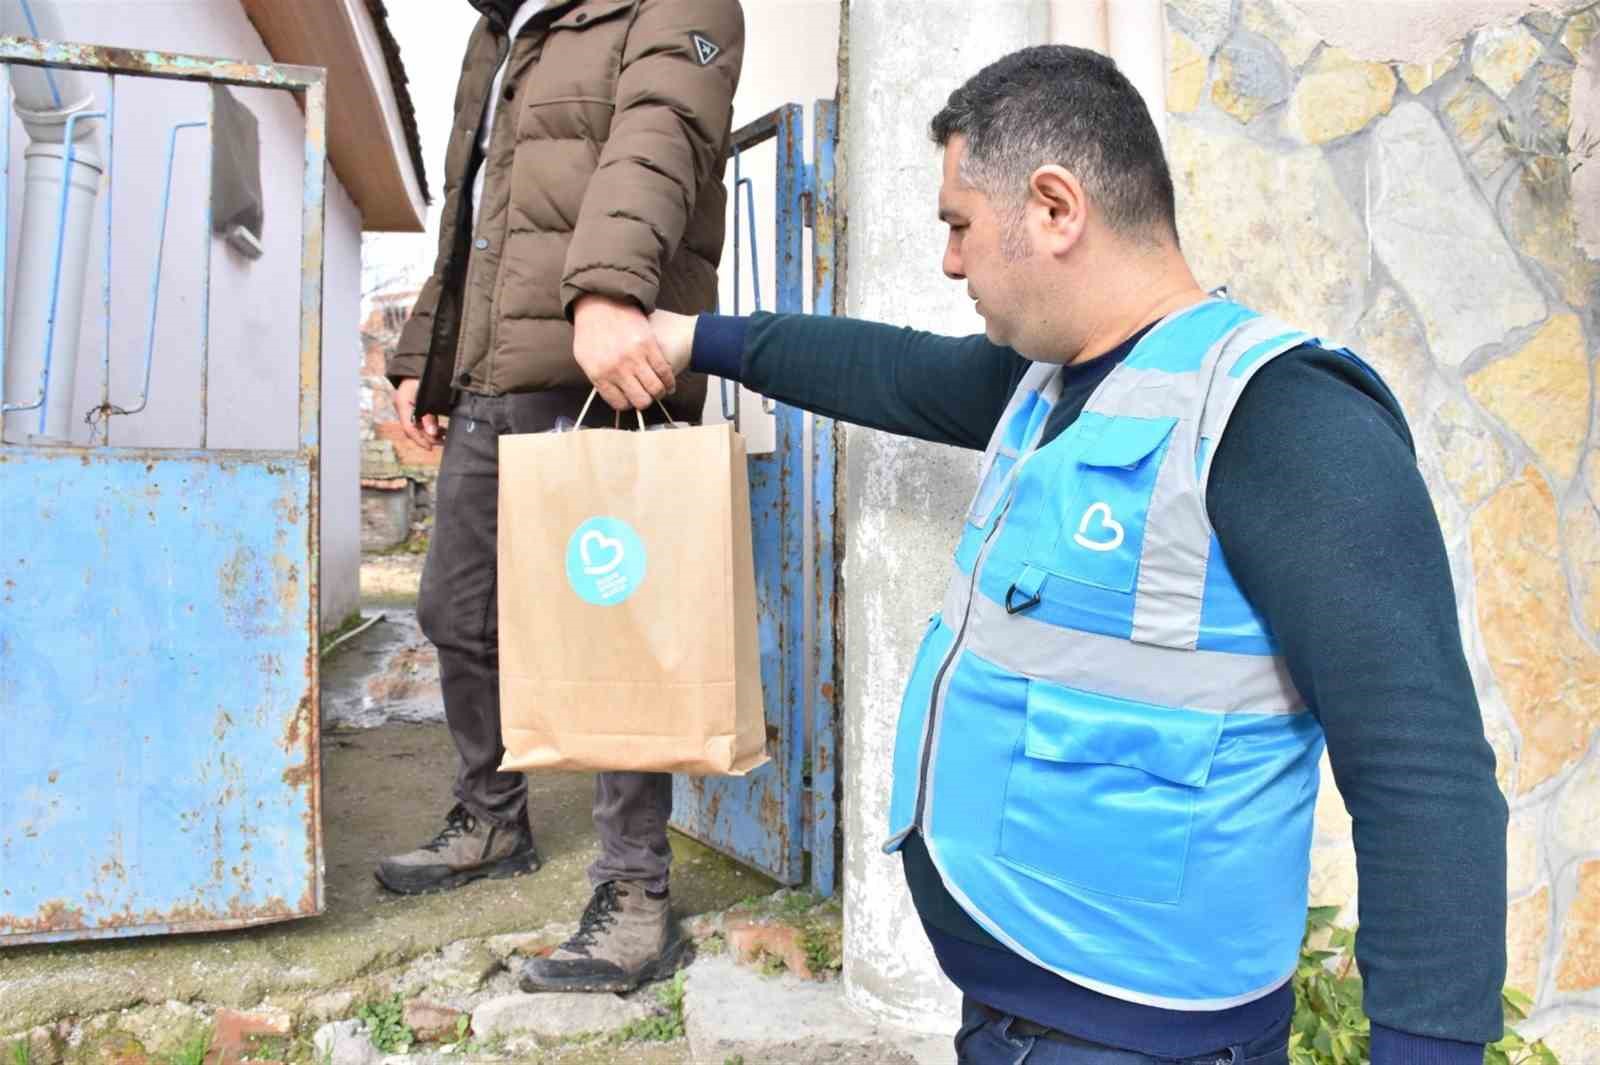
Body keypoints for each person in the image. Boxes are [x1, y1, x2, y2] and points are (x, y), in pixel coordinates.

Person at [628, 46, 1509, 1065]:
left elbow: (1423, 774)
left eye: (958, 225)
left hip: (1142, 1042)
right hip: (1011, 1019)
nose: (951, 261)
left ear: (1054, 208)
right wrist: (693, 339)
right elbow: (887, 370)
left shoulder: (1281, 419)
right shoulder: (1047, 383)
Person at [381, 0, 744, 996]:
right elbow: (474, 213)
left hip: (604, 357)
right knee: (453, 610)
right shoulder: (504, 30)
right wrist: (427, 355)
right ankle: (491, 815)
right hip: (499, 366)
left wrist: (609, 293)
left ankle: (634, 897)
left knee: (614, 636)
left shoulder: (672, 6)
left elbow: (657, 141)